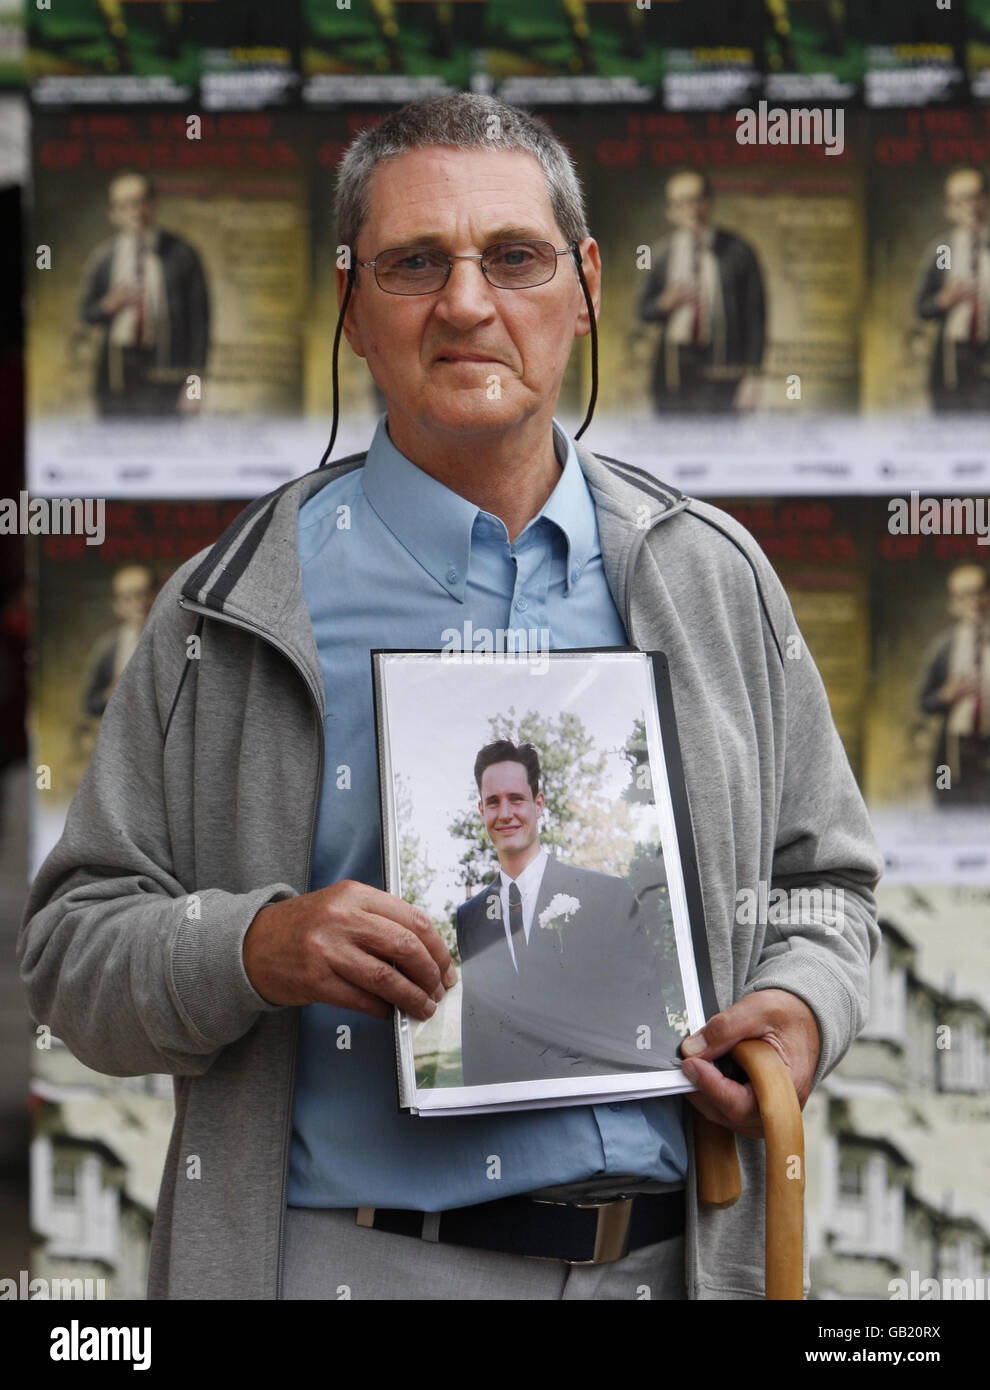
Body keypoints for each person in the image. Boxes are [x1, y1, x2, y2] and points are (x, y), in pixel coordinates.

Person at [20, 92, 882, 1301]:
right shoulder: (233, 603)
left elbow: (828, 889)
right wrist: (257, 945)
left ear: (584, 287)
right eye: (415, 262)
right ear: (351, 304)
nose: (467, 304)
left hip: (671, 1269)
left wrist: (798, 1006)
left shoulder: (711, 577)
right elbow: (70, 957)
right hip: (346, 1270)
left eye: (513, 258)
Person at [455, 740, 679, 1086]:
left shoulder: (607, 897)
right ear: (481, 810)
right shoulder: (470, 918)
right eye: (492, 802)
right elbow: (476, 1037)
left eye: (516, 798)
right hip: (506, 1122)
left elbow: (644, 1023)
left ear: (538, 804)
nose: (505, 813)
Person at [80, 171, 210, 417]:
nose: (136, 211)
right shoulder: (105, 259)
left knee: (167, 446)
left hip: (167, 369)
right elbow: (87, 313)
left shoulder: (183, 255)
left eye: (141, 201)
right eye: (126, 205)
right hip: (116, 373)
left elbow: (200, 324)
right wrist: (109, 305)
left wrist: (194, 386)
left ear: (153, 204)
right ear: (113, 213)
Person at [636, 170, 765, 415]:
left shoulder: (739, 251)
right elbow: (644, 311)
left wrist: (753, 377)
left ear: (709, 202)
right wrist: (665, 303)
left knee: (722, 444)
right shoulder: (662, 254)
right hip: (673, 370)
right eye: (681, 203)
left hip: (723, 366)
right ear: (671, 211)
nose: (691, 210)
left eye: (697, 199)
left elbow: (755, 317)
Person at [916, 168, 990, 414]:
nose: (970, 206)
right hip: (952, 362)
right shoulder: (943, 252)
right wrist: (944, 300)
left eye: (976, 197)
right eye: (962, 200)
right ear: (950, 207)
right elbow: (923, 308)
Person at [918, 562, 990, 805]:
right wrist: (945, 696)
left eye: (980, 592)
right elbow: (925, 702)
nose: (974, 602)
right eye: (964, 595)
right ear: (953, 604)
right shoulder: (945, 648)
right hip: (955, 755)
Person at [81, 564, 157, 719]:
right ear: (117, 605)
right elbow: (90, 703)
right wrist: (109, 695)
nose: (139, 604)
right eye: (128, 598)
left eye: (144, 594)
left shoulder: (175, 639)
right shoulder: (108, 646)